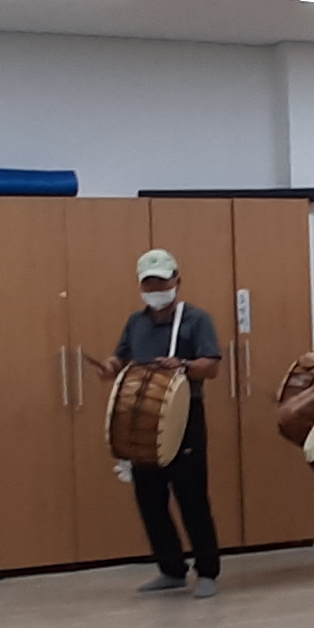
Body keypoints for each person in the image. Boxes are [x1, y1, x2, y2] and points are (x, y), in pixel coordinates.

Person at [90, 247, 224, 598]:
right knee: (149, 498)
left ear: (177, 280)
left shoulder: (196, 319)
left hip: (185, 417)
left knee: (192, 497)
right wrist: (110, 366)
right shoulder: (136, 322)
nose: (156, 287)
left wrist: (182, 364)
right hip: (141, 419)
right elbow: (121, 357)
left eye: (162, 280)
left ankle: (207, 571)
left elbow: (212, 366)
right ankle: (171, 568)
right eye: (149, 282)